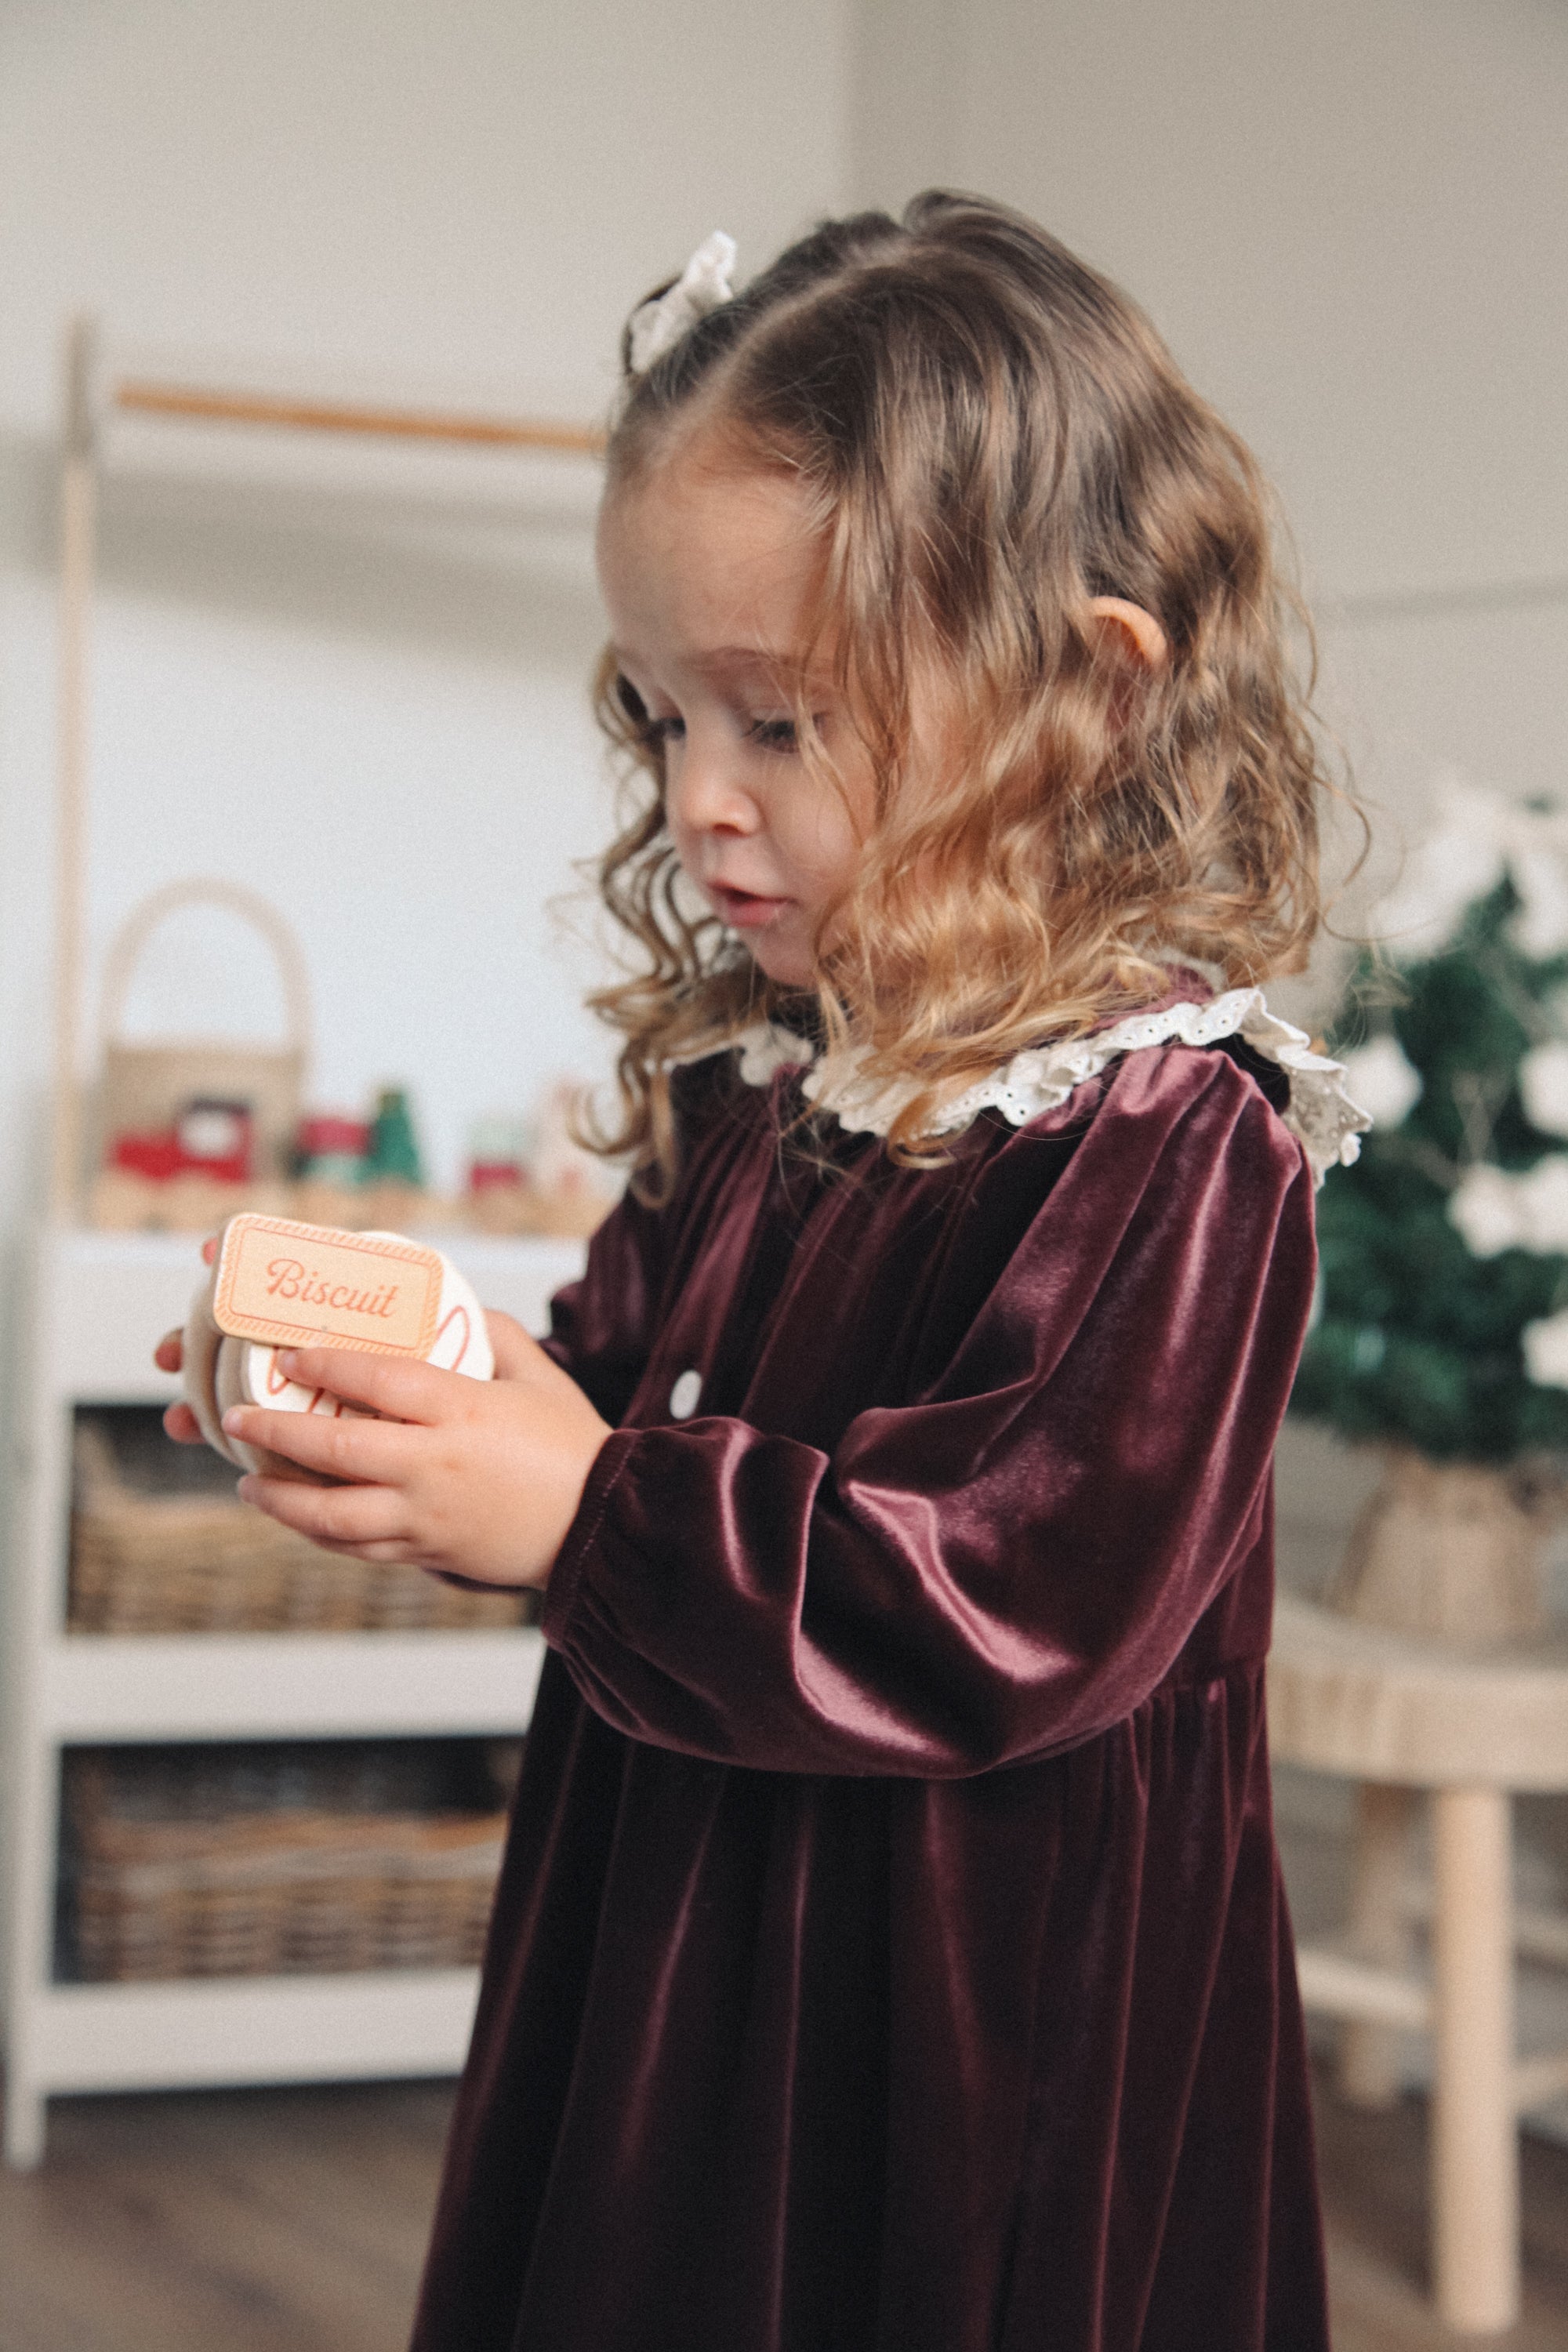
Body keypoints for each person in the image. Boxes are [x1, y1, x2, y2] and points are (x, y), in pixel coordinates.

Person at [158, 194, 1369, 2351]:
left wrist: (586, 1516)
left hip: (969, 2009)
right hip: (685, 1916)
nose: (702, 803)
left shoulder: (1174, 1135)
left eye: (781, 726)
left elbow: (1007, 1600)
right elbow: (606, 1388)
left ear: (1084, 695)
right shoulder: (775, 1077)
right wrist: (403, 1389)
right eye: (661, 721)